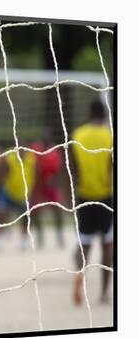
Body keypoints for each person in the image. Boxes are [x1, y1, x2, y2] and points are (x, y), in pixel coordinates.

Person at [71, 100, 113, 305]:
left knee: (84, 245)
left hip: (83, 197)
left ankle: (78, 282)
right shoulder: (111, 136)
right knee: (107, 245)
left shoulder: (78, 135)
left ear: (89, 113)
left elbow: (73, 168)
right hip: (106, 197)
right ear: (105, 115)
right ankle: (105, 293)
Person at [0, 148, 38, 252]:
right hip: (8, 192)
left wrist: (34, 191)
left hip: (23, 194)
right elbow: (0, 175)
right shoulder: (9, 159)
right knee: (0, 213)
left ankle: (24, 241)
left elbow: (36, 175)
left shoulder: (32, 159)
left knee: (27, 217)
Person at [30, 128, 65, 249]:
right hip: (37, 185)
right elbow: (31, 165)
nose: (45, 138)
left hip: (50, 185)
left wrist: (54, 180)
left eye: (47, 136)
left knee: (58, 209)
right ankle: (40, 237)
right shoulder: (34, 148)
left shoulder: (54, 150)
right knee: (35, 211)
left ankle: (60, 235)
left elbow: (59, 170)